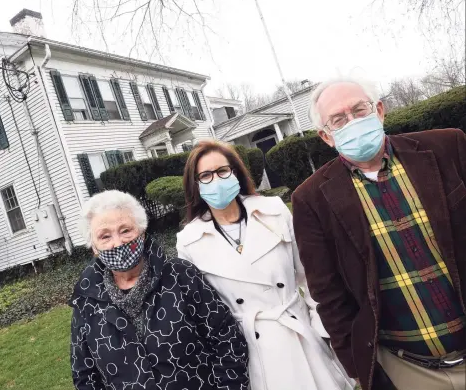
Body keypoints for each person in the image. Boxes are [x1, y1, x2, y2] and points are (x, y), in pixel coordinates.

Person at [292, 77, 466, 390]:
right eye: (339, 119)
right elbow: (328, 295)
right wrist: (359, 368)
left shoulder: (449, 147)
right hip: (409, 369)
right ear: (326, 136)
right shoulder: (311, 199)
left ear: (380, 111)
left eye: (360, 110)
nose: (353, 121)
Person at [176, 140, 354, 390]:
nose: (216, 180)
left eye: (222, 171)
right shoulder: (188, 241)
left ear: (235, 172)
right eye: (205, 175)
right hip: (253, 351)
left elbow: (311, 276)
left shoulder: (274, 210)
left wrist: (325, 332)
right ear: (195, 185)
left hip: (300, 335)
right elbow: (205, 313)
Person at [69, 190, 249, 390]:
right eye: (105, 236)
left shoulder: (180, 276)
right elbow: (85, 376)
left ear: (142, 232)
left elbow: (226, 338)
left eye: (125, 230)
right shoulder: (87, 302)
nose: (118, 243)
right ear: (94, 247)